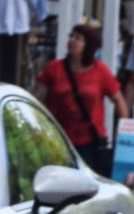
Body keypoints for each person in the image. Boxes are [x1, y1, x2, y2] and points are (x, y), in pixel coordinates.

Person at [34, 23, 125, 176]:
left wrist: (121, 134)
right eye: (71, 36)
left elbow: (119, 100)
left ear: (88, 45)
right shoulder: (54, 68)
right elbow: (37, 99)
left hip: (90, 144)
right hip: (58, 138)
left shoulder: (100, 71)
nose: (72, 41)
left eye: (79, 38)